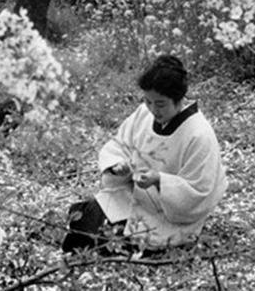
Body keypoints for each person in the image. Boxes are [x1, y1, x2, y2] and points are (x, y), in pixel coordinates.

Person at [62, 54, 227, 255]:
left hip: (169, 216)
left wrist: (159, 180)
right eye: (148, 101)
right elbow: (118, 145)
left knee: (117, 240)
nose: (153, 110)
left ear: (179, 99)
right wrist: (118, 166)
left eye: (160, 104)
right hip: (136, 197)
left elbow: (199, 193)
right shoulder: (144, 113)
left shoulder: (199, 134)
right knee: (84, 216)